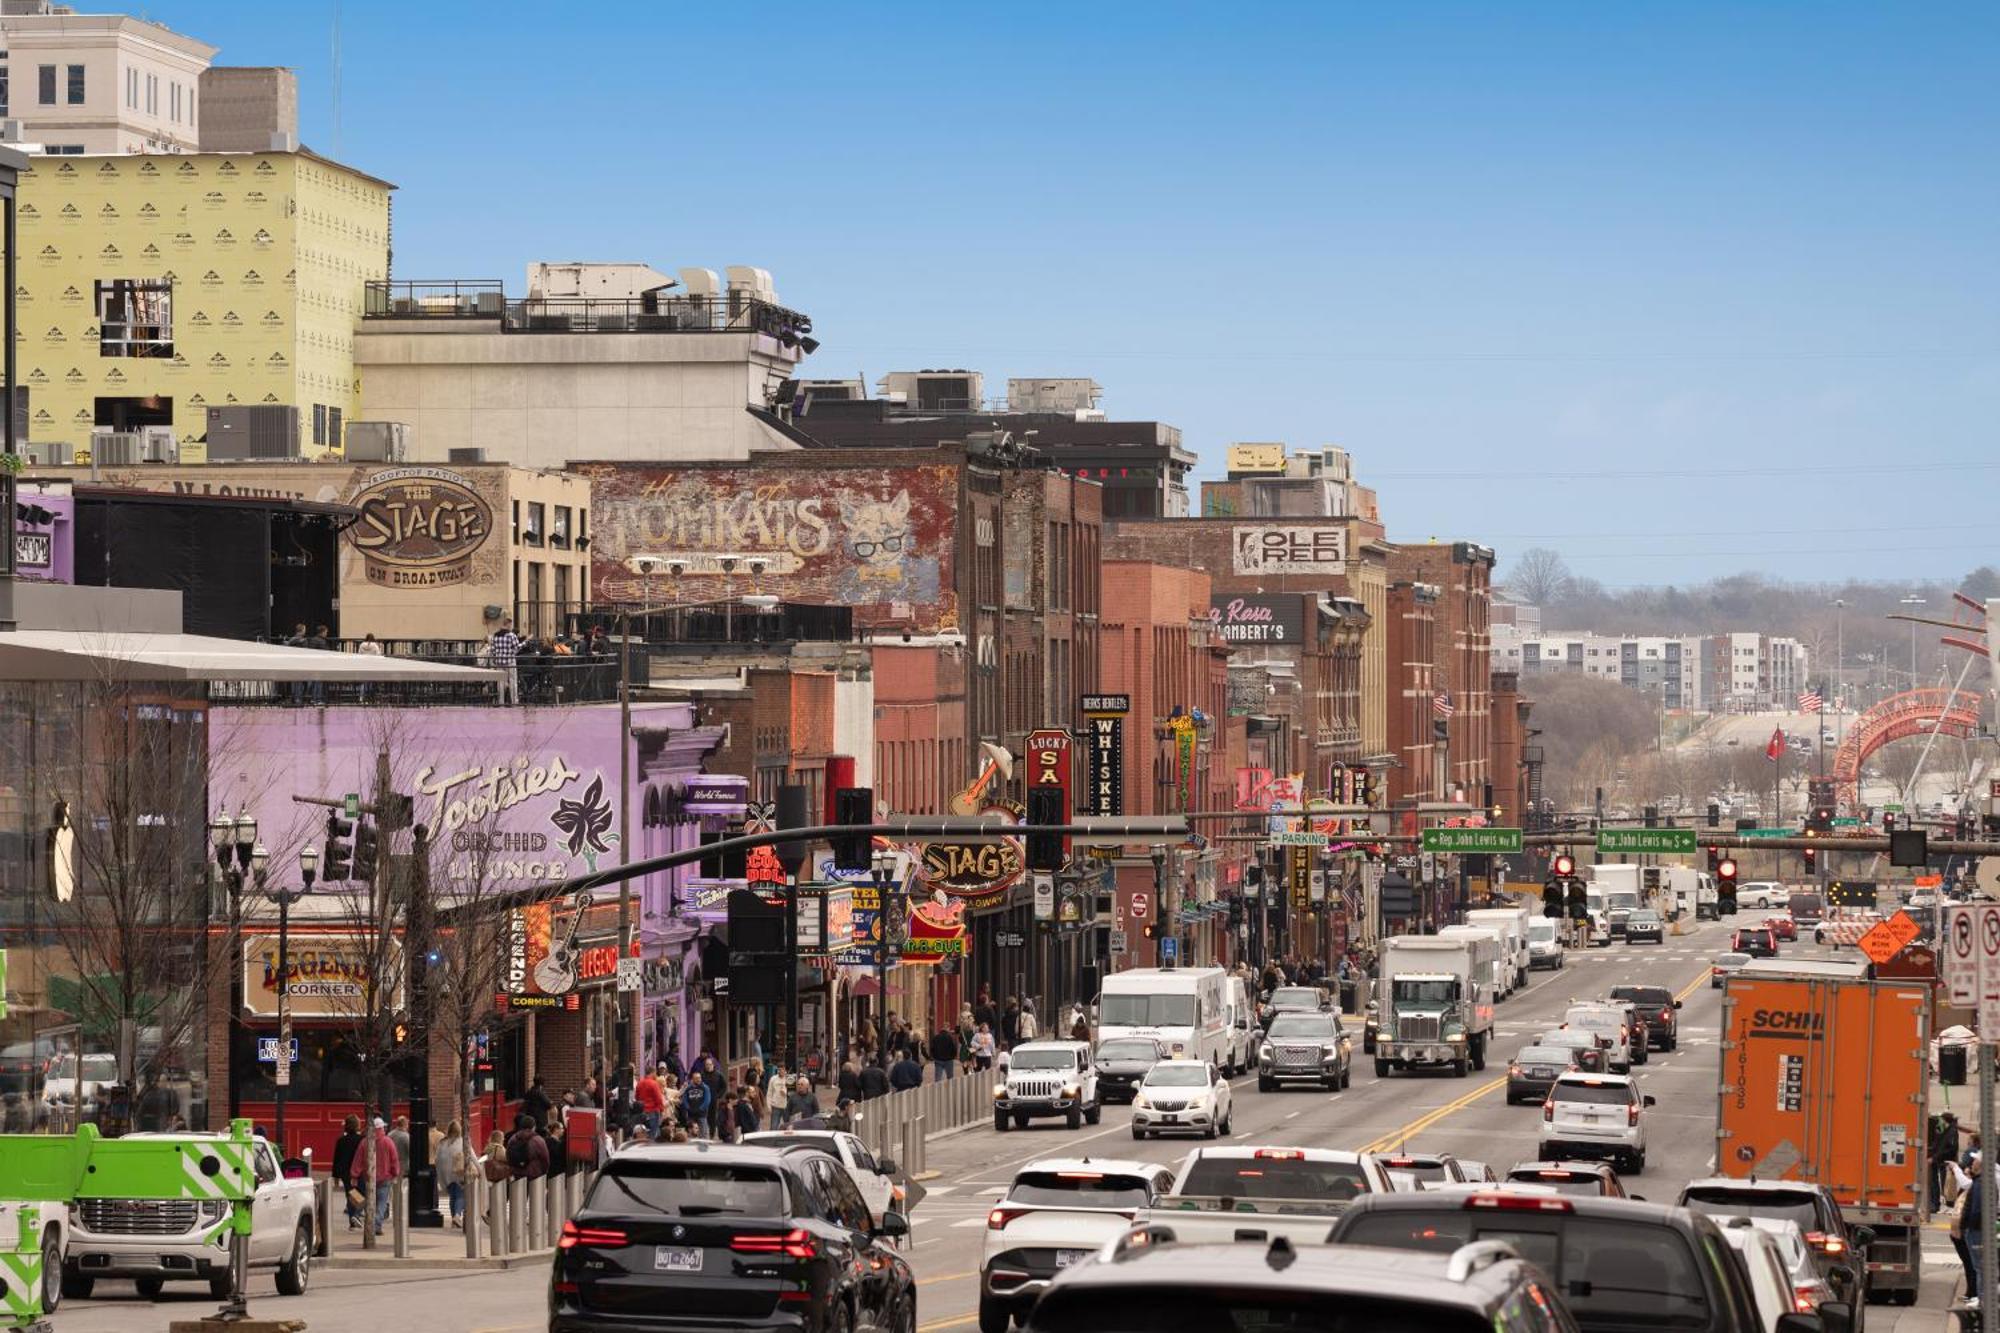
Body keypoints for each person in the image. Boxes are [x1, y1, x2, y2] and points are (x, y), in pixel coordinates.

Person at [361, 1117, 400, 1228]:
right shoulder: (388, 1142)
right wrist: (395, 1173)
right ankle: (376, 1224)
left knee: (370, 1202)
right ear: (382, 1128)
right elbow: (394, 1159)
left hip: (369, 1177)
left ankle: (372, 1223)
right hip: (385, 1177)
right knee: (382, 1203)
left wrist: (354, 1175)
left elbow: (358, 1159)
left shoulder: (365, 1142)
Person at [331, 1115, 365, 1230]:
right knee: (361, 1194)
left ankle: (353, 1219)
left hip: (346, 1173)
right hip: (359, 1172)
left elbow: (337, 1158)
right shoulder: (362, 1140)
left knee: (350, 1195)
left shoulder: (341, 1141)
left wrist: (335, 1176)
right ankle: (355, 1215)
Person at [435, 1121, 467, 1228]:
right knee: (461, 1195)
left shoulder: (442, 1143)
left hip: (445, 1174)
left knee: (453, 1196)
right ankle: (457, 1216)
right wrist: (479, 1170)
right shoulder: (462, 1142)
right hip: (458, 1173)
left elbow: (437, 1160)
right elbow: (471, 1156)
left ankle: (454, 1219)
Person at [489, 619, 525, 706]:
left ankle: (501, 702)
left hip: (499, 661)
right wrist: (525, 642)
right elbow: (517, 647)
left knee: (500, 682)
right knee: (513, 681)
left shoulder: (495, 636)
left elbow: (492, 650)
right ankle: (514, 702)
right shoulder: (511, 635)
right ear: (508, 624)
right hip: (510, 661)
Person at [506, 1113, 549, 1181]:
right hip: (534, 1175)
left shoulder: (513, 1138)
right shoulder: (538, 1140)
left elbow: (508, 1155)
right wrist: (543, 1172)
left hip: (517, 1174)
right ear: (534, 1127)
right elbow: (545, 1158)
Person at [634, 1066, 666, 1138]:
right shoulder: (654, 1084)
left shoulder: (640, 1083)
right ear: (652, 1073)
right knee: (653, 1132)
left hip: (642, 1111)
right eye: (655, 1073)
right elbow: (658, 1098)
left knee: (643, 1132)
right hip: (653, 1111)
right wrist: (662, 1110)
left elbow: (636, 1097)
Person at [680, 1072, 712, 1139]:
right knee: (691, 1131)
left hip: (702, 1113)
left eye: (699, 1078)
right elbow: (684, 1099)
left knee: (703, 1131)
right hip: (691, 1113)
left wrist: (700, 1109)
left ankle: (703, 1143)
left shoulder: (705, 1087)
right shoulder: (688, 1088)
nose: (698, 1079)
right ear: (693, 1079)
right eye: (696, 1078)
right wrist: (688, 1108)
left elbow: (707, 1100)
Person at [765, 1064, 792, 1130]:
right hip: (775, 1106)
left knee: (789, 1127)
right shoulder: (773, 1079)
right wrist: (769, 1106)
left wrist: (786, 1093)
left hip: (786, 1106)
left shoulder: (789, 1079)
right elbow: (769, 1093)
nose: (780, 1071)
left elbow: (793, 1093)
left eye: (782, 1069)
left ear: (785, 1070)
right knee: (773, 1127)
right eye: (779, 1070)